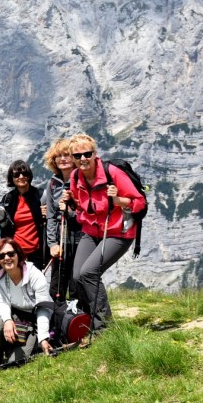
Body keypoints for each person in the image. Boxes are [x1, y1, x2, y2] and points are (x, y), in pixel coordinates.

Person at [62, 134, 146, 330]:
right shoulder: (75, 177)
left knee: (89, 272)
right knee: (77, 277)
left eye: (87, 153)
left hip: (118, 232)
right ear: (73, 158)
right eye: (77, 155)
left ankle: (104, 327)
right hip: (92, 231)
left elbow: (140, 202)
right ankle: (88, 320)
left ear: (94, 154)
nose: (83, 159)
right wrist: (69, 203)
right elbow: (83, 208)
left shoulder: (112, 173)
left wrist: (118, 200)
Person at [0, 238, 53, 368]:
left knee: (13, 363)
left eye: (11, 254)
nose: (7, 258)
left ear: (18, 255)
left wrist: (43, 337)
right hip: (16, 315)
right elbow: (1, 302)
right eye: (1, 256)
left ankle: (30, 345)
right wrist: (7, 320)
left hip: (35, 320)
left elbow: (44, 309)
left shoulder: (35, 275)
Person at [43, 138, 81, 302]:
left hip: (79, 236)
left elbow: (89, 211)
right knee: (57, 282)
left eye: (67, 155)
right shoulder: (52, 183)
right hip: (60, 237)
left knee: (75, 281)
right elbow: (51, 215)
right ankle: (56, 320)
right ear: (54, 160)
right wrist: (52, 244)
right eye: (59, 156)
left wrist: (71, 212)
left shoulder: (81, 180)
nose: (63, 159)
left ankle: (77, 320)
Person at [2, 160, 47, 271]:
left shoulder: (41, 195)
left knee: (34, 286)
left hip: (36, 252)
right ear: (11, 178)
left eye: (25, 173)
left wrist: (47, 214)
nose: (21, 177)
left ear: (29, 176)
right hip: (15, 252)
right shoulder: (8, 199)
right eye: (17, 174)